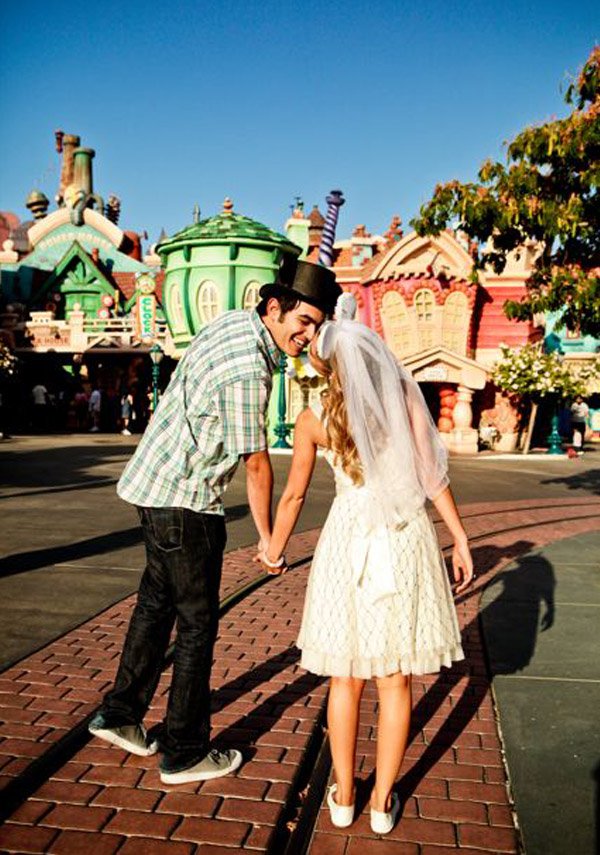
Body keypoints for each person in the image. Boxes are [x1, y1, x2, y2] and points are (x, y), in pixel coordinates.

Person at [88, 259, 341, 785]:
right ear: (275, 308)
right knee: (198, 625)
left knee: (156, 604)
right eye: (304, 321)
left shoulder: (232, 323)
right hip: (186, 502)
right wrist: (270, 542)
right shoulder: (251, 366)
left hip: (153, 486)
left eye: (318, 325)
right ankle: (183, 750)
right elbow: (255, 463)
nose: (308, 335)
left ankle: (121, 714)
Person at [258, 295, 473, 834]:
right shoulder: (401, 401)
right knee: (395, 677)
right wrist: (461, 537)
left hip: (347, 541)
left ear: (327, 367)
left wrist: (274, 547)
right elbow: (432, 477)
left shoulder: (312, 421)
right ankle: (382, 803)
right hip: (402, 537)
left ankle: (345, 794)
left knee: (345, 677)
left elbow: (293, 498)